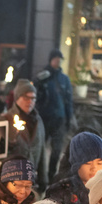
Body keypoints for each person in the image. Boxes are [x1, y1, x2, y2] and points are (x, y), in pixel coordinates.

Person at [34, 49, 75, 182]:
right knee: (40, 149)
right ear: (51, 60)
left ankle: (51, 176)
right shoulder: (43, 76)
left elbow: (68, 100)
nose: (58, 61)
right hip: (45, 118)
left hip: (60, 119)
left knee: (57, 150)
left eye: (59, 59)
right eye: (56, 59)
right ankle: (40, 177)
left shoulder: (64, 79)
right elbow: (36, 96)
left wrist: (69, 118)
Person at [45, 131, 102, 204]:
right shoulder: (60, 191)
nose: (94, 168)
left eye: (99, 163)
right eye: (88, 163)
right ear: (76, 165)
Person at [6, 79, 46, 182]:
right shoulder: (7, 119)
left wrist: (43, 179)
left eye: (33, 98)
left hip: (32, 179)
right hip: (13, 180)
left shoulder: (38, 120)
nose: (30, 101)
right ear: (17, 98)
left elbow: (42, 150)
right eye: (26, 98)